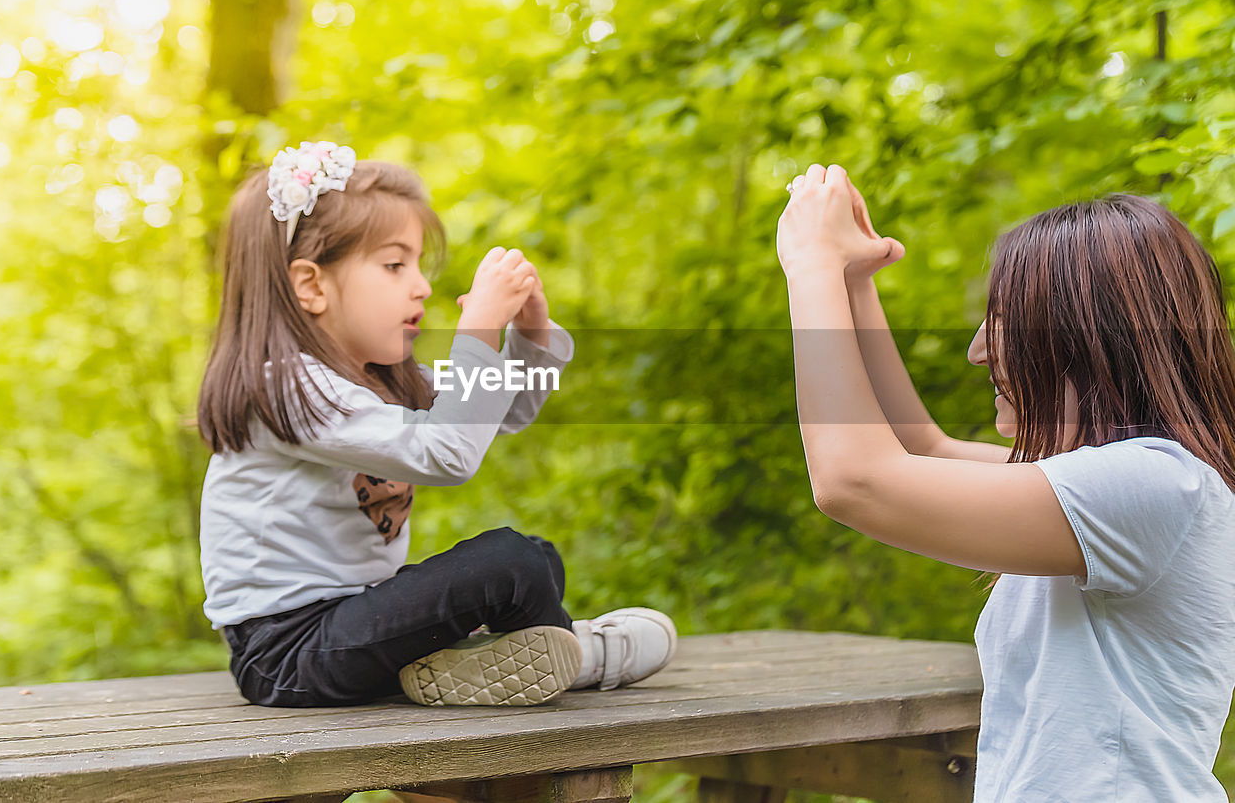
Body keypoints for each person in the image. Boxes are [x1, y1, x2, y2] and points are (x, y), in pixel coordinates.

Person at [777, 164, 1235, 801]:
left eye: (1005, 322)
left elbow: (855, 481)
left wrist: (810, 266)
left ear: (1083, 335)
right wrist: (854, 282)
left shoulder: (1157, 486)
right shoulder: (1116, 485)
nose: (978, 350)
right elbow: (920, 448)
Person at [196, 141, 675, 708]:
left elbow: (504, 414)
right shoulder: (285, 388)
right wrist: (476, 331)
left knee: (538, 558)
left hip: (353, 621)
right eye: (395, 264)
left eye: (418, 265)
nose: (421, 285)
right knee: (511, 565)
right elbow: (449, 453)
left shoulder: (378, 378)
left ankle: (465, 661)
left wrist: (530, 335)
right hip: (287, 651)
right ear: (312, 285)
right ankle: (578, 653)